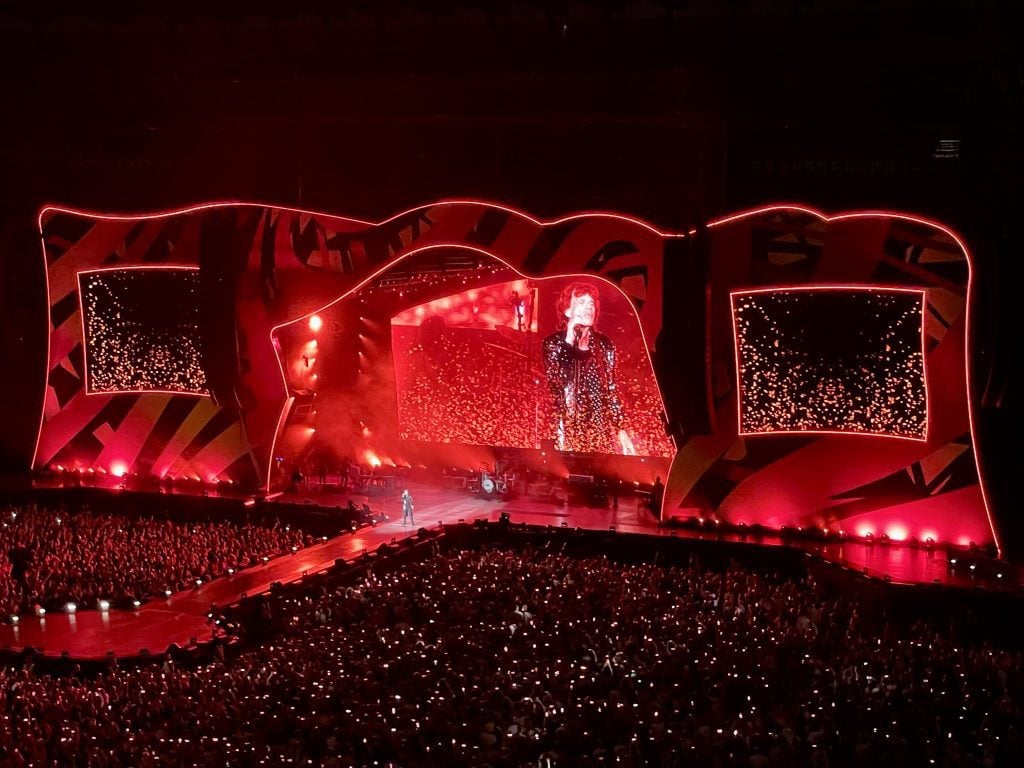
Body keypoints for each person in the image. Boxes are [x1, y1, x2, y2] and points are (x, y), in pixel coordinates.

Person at [542, 282, 636, 455]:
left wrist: (621, 429)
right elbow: (557, 382)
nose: (589, 307)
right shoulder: (553, 344)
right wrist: (569, 340)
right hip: (567, 430)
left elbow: (611, 390)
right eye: (582, 302)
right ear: (567, 311)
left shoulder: (604, 346)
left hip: (599, 431)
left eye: (591, 303)